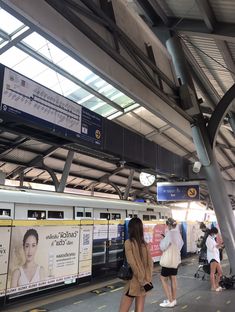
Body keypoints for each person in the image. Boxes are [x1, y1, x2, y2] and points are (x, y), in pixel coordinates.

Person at [119, 217, 153, 312]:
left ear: (130, 229)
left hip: (134, 282)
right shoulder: (145, 244)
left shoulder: (128, 243)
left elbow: (132, 263)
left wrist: (141, 280)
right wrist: (147, 280)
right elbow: (150, 263)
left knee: (123, 310)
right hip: (144, 283)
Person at [159, 218, 184, 308]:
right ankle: (174, 299)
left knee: (163, 278)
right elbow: (181, 245)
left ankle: (169, 300)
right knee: (173, 278)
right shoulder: (178, 233)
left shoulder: (169, 234)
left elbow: (162, 247)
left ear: (168, 225)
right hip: (176, 260)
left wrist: (163, 239)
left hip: (168, 260)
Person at [206, 227, 223, 291]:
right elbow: (211, 249)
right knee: (212, 272)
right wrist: (217, 246)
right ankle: (213, 287)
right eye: (215, 233)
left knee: (220, 272)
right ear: (212, 233)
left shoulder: (212, 238)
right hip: (213, 257)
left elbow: (215, 246)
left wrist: (219, 246)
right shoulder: (208, 239)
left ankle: (216, 284)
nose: (216, 235)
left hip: (216, 257)